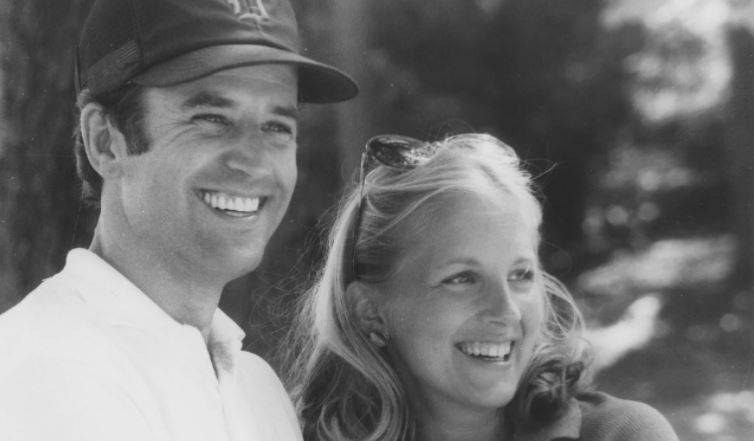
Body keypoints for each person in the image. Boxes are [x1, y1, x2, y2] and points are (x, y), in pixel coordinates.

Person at [0, 0, 356, 440]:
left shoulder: (257, 388)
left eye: (277, 126)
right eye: (211, 118)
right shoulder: (50, 370)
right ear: (105, 142)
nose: (253, 161)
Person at [286, 134, 679, 441]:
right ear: (370, 311)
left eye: (521, 274)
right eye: (462, 278)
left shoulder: (621, 434)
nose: (507, 310)